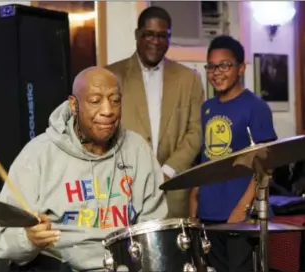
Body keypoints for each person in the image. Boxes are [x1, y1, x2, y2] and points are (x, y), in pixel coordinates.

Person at [0, 67, 167, 271]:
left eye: (115, 100)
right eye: (95, 101)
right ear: (74, 105)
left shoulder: (137, 150)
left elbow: (154, 230)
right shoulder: (38, 154)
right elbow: (1, 236)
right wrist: (28, 239)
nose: (108, 110)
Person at [189, 35, 277, 272]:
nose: (217, 72)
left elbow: (267, 165)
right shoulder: (206, 108)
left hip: (241, 216)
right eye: (211, 66)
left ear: (240, 68)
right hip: (208, 214)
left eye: (224, 65)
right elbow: (205, 158)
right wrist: (194, 199)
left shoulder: (255, 107)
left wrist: (242, 209)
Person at [106, 6, 203, 218]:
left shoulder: (190, 79)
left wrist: (168, 171)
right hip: (124, 190)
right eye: (149, 34)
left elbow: (195, 132)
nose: (156, 41)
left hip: (173, 190)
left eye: (162, 35)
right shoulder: (111, 75)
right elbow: (105, 129)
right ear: (137, 35)